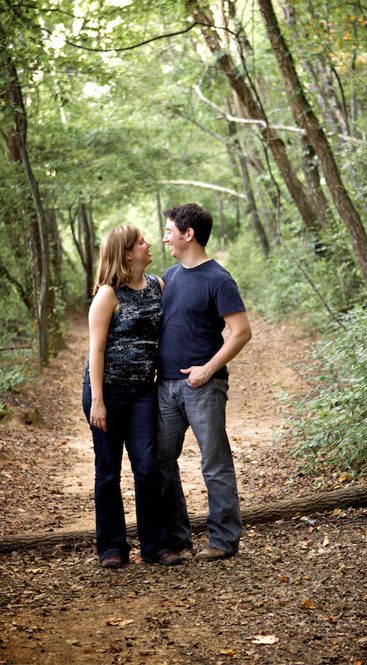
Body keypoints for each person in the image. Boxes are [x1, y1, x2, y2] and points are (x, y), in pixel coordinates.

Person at [157, 203, 252, 563]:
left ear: (188, 234)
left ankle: (224, 539)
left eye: (169, 231)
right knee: (162, 462)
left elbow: (241, 333)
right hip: (164, 388)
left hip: (203, 387)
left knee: (214, 462)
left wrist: (208, 370)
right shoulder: (171, 274)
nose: (165, 236)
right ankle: (178, 539)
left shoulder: (219, 279)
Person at [84, 225, 182, 569]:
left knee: (147, 466)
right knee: (108, 470)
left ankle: (156, 546)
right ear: (127, 253)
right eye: (141, 242)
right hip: (107, 392)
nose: (148, 244)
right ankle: (111, 548)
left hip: (143, 391)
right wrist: (97, 400)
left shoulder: (157, 285)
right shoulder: (108, 294)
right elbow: (95, 351)